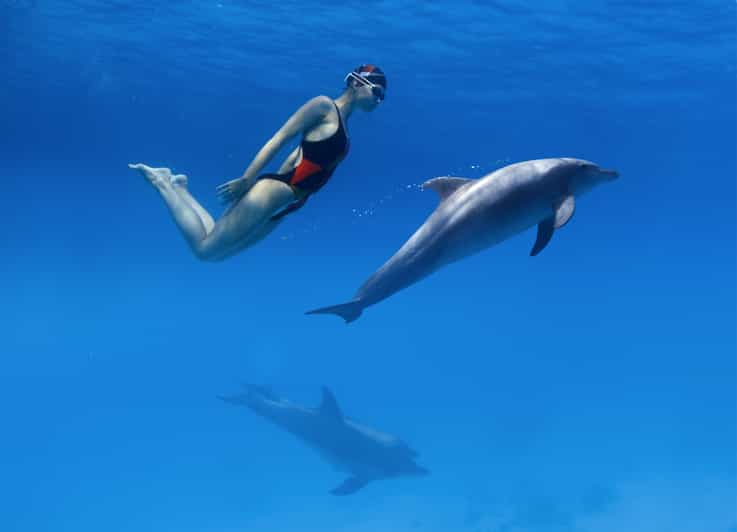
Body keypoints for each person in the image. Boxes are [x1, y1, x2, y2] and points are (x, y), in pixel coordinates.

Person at [129, 65, 387, 261]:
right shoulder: (323, 106)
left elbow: (297, 155)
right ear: (355, 82)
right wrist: (248, 180)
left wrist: (287, 201)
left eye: (382, 96)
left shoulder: (344, 128)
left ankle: (180, 188)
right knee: (205, 251)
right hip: (275, 193)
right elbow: (280, 137)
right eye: (376, 91)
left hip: (286, 203)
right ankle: (161, 182)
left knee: (218, 253)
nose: (379, 99)